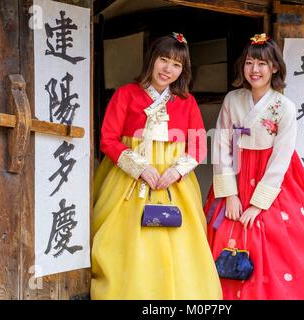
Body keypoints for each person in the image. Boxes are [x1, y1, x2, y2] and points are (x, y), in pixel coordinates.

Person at [91, 33, 222, 300]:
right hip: (130, 178)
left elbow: (198, 145)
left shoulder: (187, 102)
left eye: (176, 65)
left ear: (183, 70)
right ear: (152, 59)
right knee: (125, 240)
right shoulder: (126, 94)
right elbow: (108, 139)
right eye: (164, 60)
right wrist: (140, 168)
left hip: (174, 180)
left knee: (182, 242)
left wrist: (175, 171)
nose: (168, 69)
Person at [204, 33, 304, 300]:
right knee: (225, 230)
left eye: (262, 64)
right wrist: (229, 194)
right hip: (237, 173)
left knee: (278, 237)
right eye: (250, 63)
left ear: (274, 67)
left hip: (273, 179)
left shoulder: (284, 107)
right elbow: (222, 145)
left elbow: (282, 157)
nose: (255, 70)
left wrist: (258, 203)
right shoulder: (233, 100)